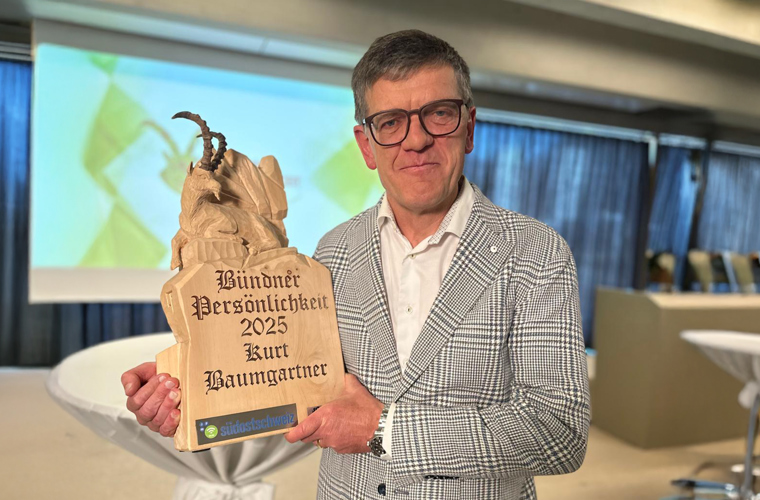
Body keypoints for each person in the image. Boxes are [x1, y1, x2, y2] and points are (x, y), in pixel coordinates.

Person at [122, 30, 590, 499]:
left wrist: (384, 430)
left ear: (468, 127)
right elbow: (291, 385)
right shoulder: (332, 251)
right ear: (366, 145)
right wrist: (195, 388)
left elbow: (559, 432)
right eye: (391, 122)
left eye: (439, 114)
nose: (416, 139)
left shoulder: (536, 253)